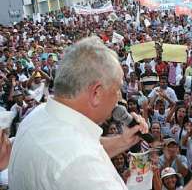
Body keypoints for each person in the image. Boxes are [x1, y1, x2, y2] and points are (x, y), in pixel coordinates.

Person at [8, 37, 149, 190]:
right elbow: (78, 156)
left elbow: (87, 146)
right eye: (117, 90)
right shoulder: (84, 168)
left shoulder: (38, 115)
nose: (119, 97)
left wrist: (123, 141)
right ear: (96, 93)